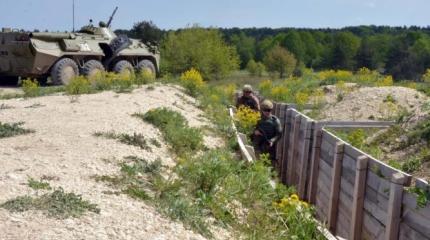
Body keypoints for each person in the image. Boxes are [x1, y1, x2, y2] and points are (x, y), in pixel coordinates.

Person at [252, 100, 282, 164]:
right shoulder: (257, 118)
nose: (267, 112)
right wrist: (255, 132)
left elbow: (279, 134)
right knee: (257, 163)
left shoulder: (275, 121)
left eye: (269, 110)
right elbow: (250, 129)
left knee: (269, 164)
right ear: (262, 110)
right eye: (265, 110)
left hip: (269, 146)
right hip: (258, 145)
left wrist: (272, 140)